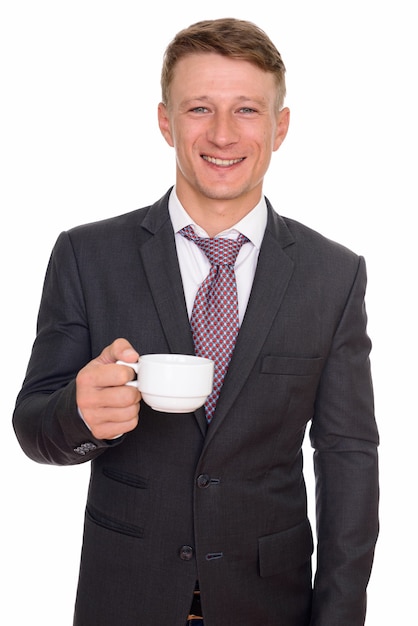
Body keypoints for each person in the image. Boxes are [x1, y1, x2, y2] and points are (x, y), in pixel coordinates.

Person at [13, 17, 379, 626]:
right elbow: (33, 425)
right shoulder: (86, 255)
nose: (222, 134)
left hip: (270, 604)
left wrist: (340, 616)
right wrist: (78, 413)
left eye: (247, 111)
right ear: (166, 122)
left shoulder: (333, 275)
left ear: (280, 126)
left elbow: (348, 455)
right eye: (199, 108)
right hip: (124, 597)